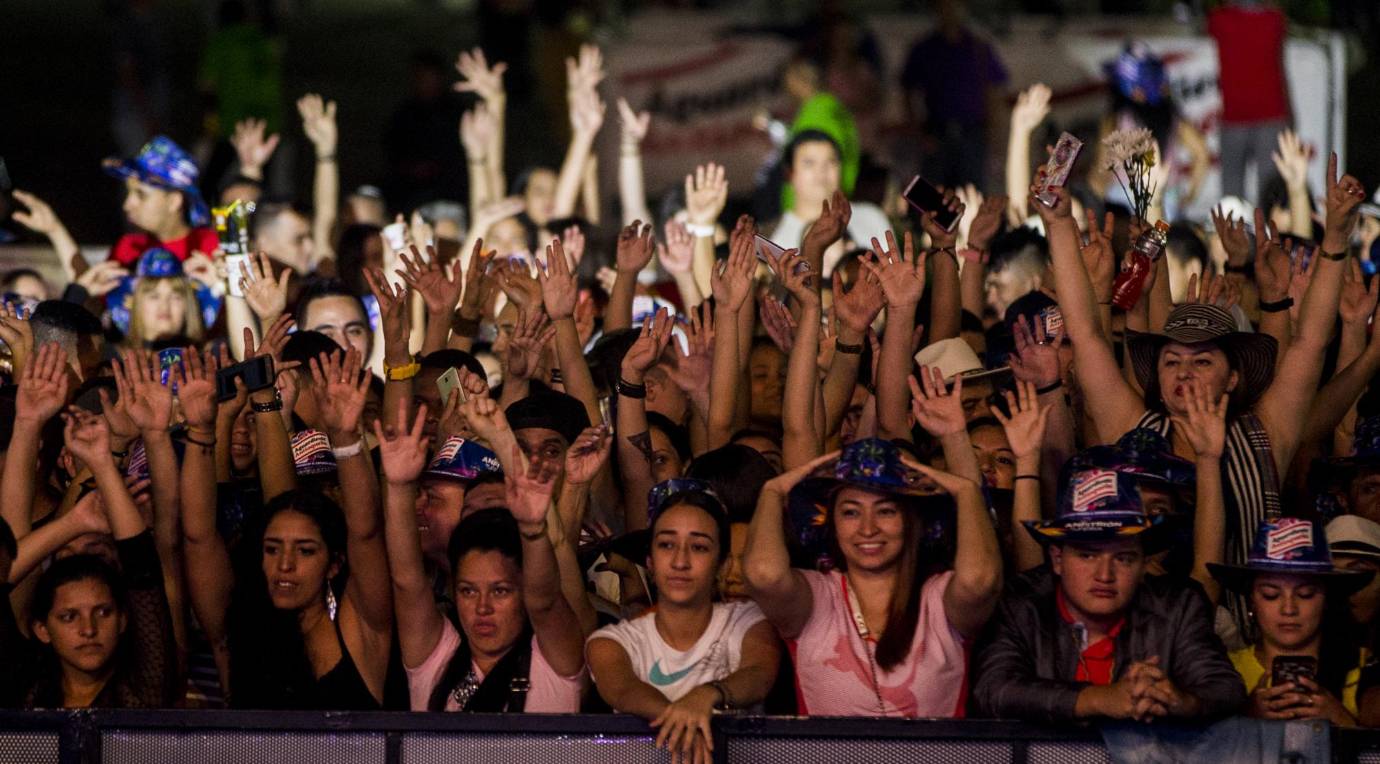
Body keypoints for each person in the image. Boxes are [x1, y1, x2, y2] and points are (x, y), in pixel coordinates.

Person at [1036, 156, 1367, 627]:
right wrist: (1058, 223)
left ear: (1233, 379)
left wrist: (1335, 238)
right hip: (1143, 645)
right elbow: (1087, 335)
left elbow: (1311, 342)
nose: (1183, 372)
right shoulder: (1134, 429)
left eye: (1203, 360)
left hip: (1250, 647)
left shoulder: (1264, 435)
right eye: (1171, 360)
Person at [179, 340, 398, 709]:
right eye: (272, 548)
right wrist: (203, 428)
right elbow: (198, 536)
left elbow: (366, 531)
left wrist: (345, 440)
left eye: (306, 550)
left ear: (335, 562)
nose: (285, 564)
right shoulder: (240, 629)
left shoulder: (360, 624)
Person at [744, 438, 1002, 717]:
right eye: (851, 512)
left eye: (886, 511)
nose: (868, 529)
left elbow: (981, 580)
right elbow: (764, 575)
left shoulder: (938, 597)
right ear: (833, 524)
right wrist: (772, 491)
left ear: (909, 521)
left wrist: (966, 492)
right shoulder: (817, 595)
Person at [971, 465, 1245, 722]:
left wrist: (1178, 700)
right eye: (1087, 555)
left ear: (1142, 566)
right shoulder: (1021, 602)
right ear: (1057, 559)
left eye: (1124, 558)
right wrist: (1099, 698)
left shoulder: (1178, 604)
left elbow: (1226, 689)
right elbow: (992, 690)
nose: (1105, 575)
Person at [376, 401, 586, 713]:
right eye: (468, 591)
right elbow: (407, 580)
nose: (482, 608)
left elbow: (546, 599)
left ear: (524, 590)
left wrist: (531, 527)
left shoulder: (556, 659)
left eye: (500, 591)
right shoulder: (437, 658)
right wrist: (397, 486)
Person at [588, 480, 779, 762]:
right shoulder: (611, 642)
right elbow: (622, 688)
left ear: (722, 564)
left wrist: (707, 695)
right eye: (666, 545)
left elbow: (759, 674)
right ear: (650, 562)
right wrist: (681, 716)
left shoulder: (748, 621)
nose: (680, 561)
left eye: (699, 547)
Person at [3, 408, 176, 708]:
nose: (88, 630)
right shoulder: (25, 684)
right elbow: (7, 569)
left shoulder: (144, 688)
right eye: (68, 617)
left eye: (103, 612)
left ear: (123, 619)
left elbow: (143, 570)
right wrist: (74, 523)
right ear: (41, 628)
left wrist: (103, 465)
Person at [1209, 518, 1369, 725]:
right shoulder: (1223, 670)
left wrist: (1341, 720)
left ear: (1327, 600)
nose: (1289, 609)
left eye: (1305, 594)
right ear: (1252, 602)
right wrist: (1245, 721)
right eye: (1270, 595)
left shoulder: (1364, 666)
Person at [899, 0, 1008, 189]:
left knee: (973, 194)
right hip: (937, 135)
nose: (950, 11)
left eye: (955, 5)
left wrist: (995, 140)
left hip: (973, 136)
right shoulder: (924, 49)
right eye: (944, 5)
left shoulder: (979, 49)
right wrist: (919, 135)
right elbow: (907, 93)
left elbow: (994, 96)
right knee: (934, 200)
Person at [1207, 0, 1291, 202]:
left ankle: (1230, 232)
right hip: (1269, 115)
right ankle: (1270, 232)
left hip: (1238, 116)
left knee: (1232, 189)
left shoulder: (1220, 19)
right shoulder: (1274, 19)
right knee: (1270, 189)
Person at [103, 136, 219, 267]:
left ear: (174, 201)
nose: (127, 205)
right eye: (128, 193)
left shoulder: (209, 246)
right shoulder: (127, 247)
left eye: (141, 195)